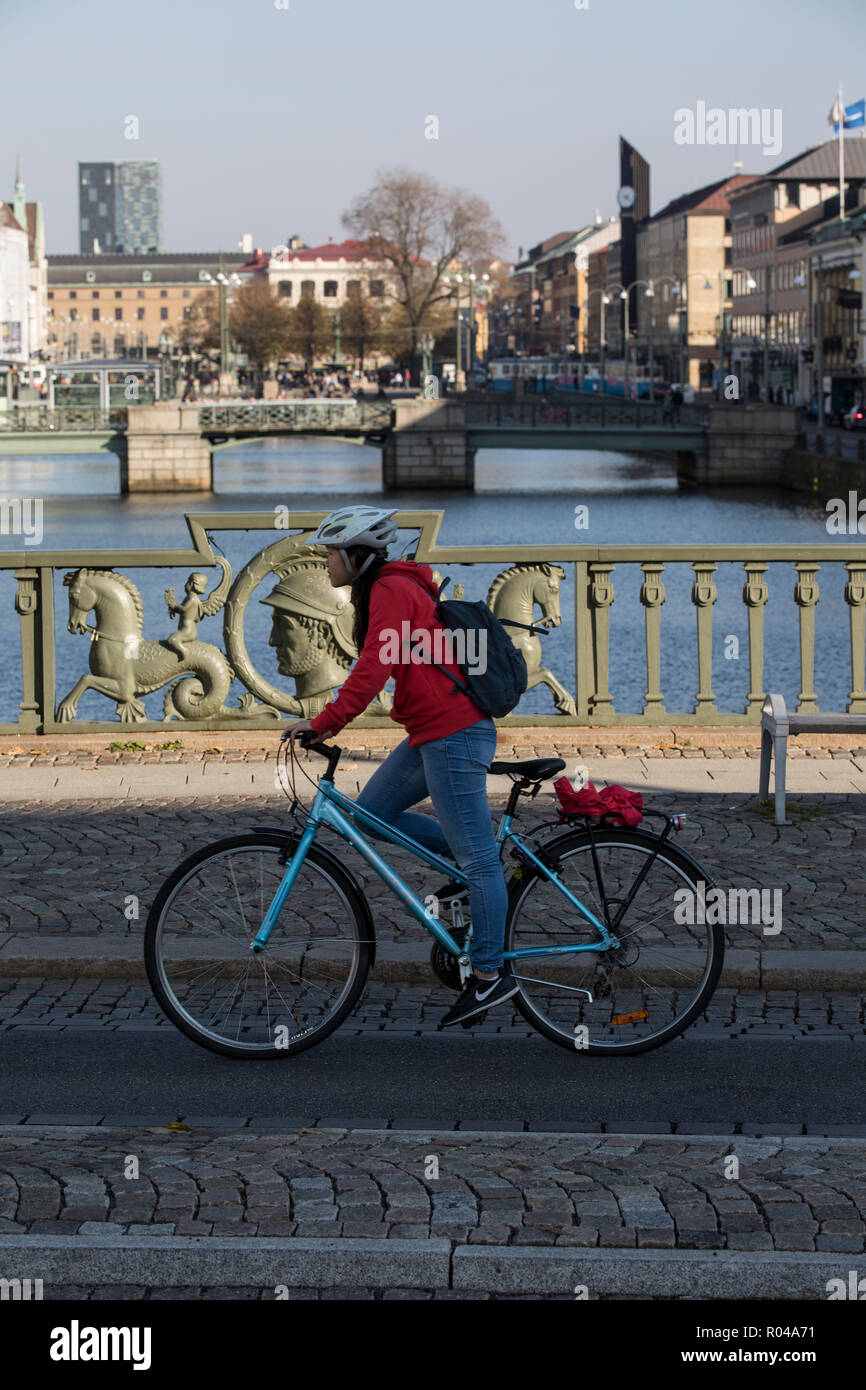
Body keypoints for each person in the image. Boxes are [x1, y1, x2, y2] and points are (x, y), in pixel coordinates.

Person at [283, 505, 518, 1029]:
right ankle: (467, 871)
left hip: (453, 732)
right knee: (368, 817)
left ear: (355, 555)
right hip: (432, 732)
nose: (324, 563)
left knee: (480, 860)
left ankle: (489, 975)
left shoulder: (390, 588)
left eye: (328, 553)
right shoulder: (393, 586)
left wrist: (324, 722)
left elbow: (374, 665)